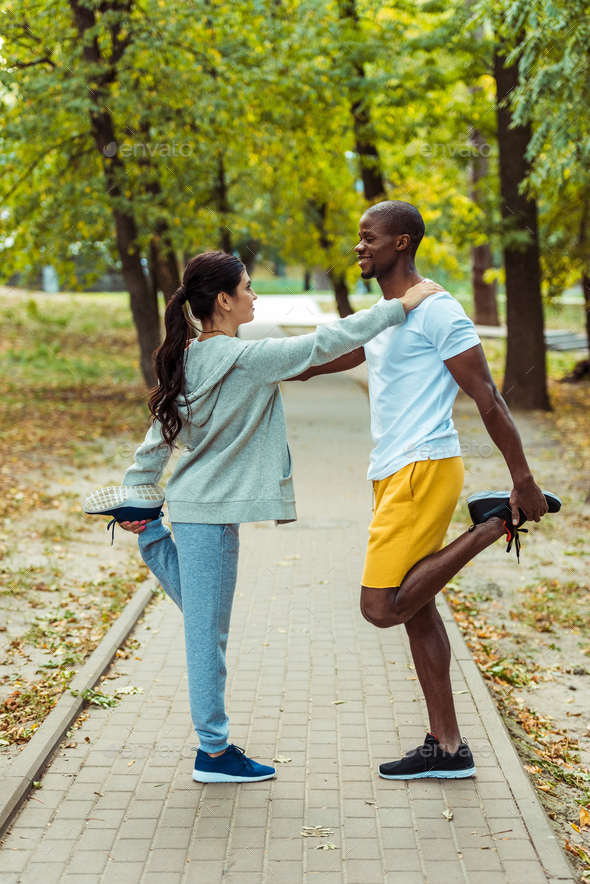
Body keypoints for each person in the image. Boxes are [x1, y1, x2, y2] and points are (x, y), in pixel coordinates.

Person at [83, 249, 442, 784]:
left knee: (205, 619)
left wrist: (139, 485)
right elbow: (325, 341)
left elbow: (161, 432)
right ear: (224, 300)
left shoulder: (188, 356)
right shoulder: (247, 360)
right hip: (207, 515)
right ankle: (213, 752)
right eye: (248, 287)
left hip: (197, 509)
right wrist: (401, 305)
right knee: (207, 636)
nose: (255, 296)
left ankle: (151, 530)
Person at [292, 201, 560, 780]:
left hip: (424, 468)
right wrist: (255, 362)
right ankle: (447, 748)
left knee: (381, 606)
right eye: (359, 237)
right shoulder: (390, 311)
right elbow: (334, 356)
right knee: (416, 609)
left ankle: (494, 524)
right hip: (391, 471)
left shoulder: (440, 312)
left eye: (370, 238)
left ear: (402, 242)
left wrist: (522, 479)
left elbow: (488, 396)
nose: (359, 246)